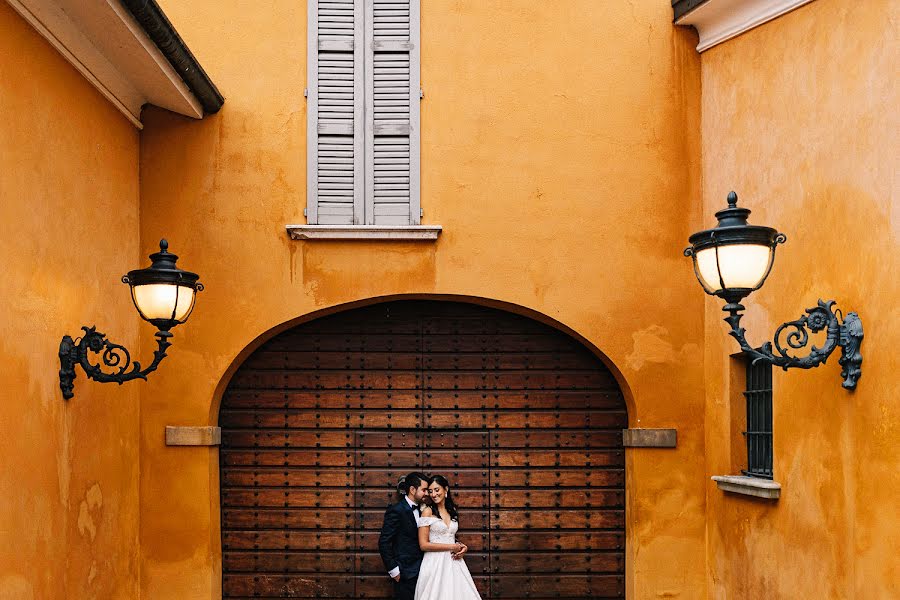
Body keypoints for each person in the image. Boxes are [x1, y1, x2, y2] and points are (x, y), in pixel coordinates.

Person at [414, 475, 482, 600]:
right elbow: (423, 545)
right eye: (430, 491)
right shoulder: (428, 512)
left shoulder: (452, 511)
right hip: (434, 563)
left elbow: (448, 536)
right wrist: (452, 546)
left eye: (437, 490)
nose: (433, 494)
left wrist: (462, 547)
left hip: (454, 562)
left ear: (446, 490)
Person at [378, 472, 442, 600]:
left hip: (426, 571)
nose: (427, 493)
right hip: (405, 574)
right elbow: (384, 542)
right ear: (412, 490)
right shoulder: (396, 510)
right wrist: (394, 570)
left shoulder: (426, 510)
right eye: (424, 490)